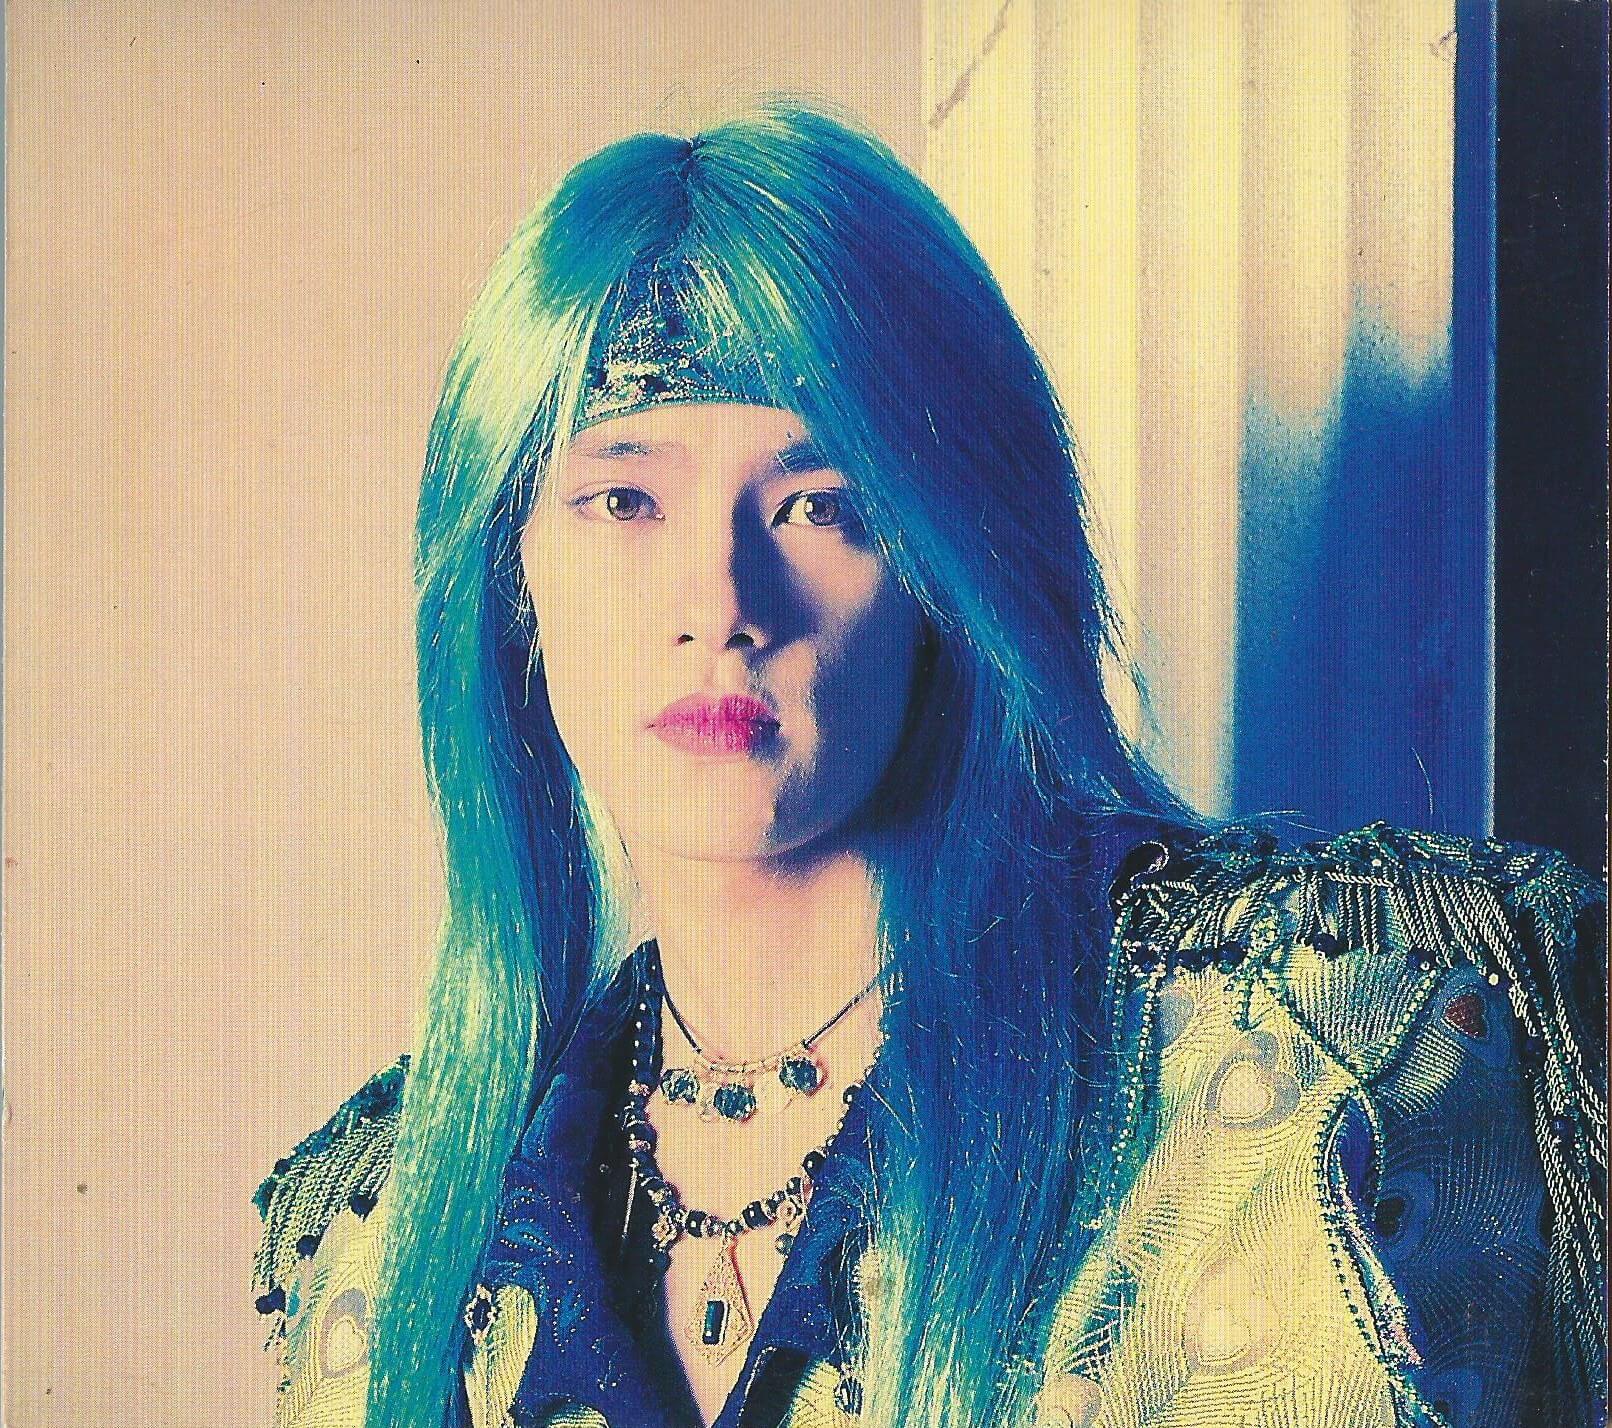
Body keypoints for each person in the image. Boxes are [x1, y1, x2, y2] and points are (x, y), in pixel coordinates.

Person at [251, 105, 1607, 1428]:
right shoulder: (376, 1238)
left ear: (948, 567)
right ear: (512, 583)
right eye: (623, 500)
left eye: (820, 505)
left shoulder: (1336, 1054)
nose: (719, 603)